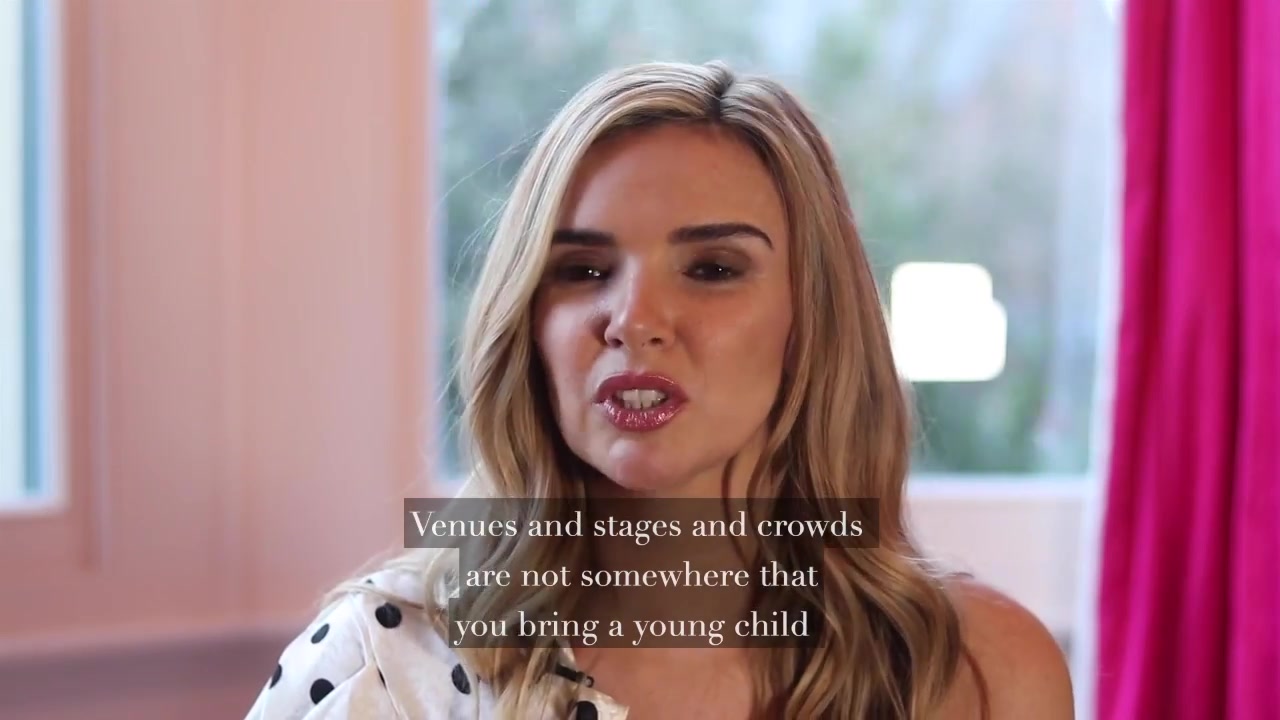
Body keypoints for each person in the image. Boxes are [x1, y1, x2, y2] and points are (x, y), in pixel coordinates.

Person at [243, 60, 1074, 720]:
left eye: (712, 269)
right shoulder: (381, 664)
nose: (634, 320)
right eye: (583, 270)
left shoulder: (982, 672)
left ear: (813, 320)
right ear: (528, 322)